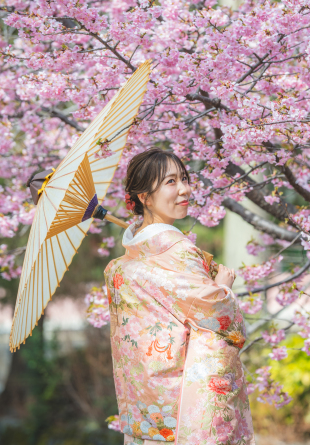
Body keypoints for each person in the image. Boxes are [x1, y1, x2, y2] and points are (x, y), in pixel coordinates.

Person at [104, 147, 255, 444]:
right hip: (186, 409)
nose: (185, 189)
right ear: (144, 197)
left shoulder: (120, 267)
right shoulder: (178, 251)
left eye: (184, 178)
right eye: (171, 182)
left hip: (148, 411)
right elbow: (219, 316)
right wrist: (222, 288)